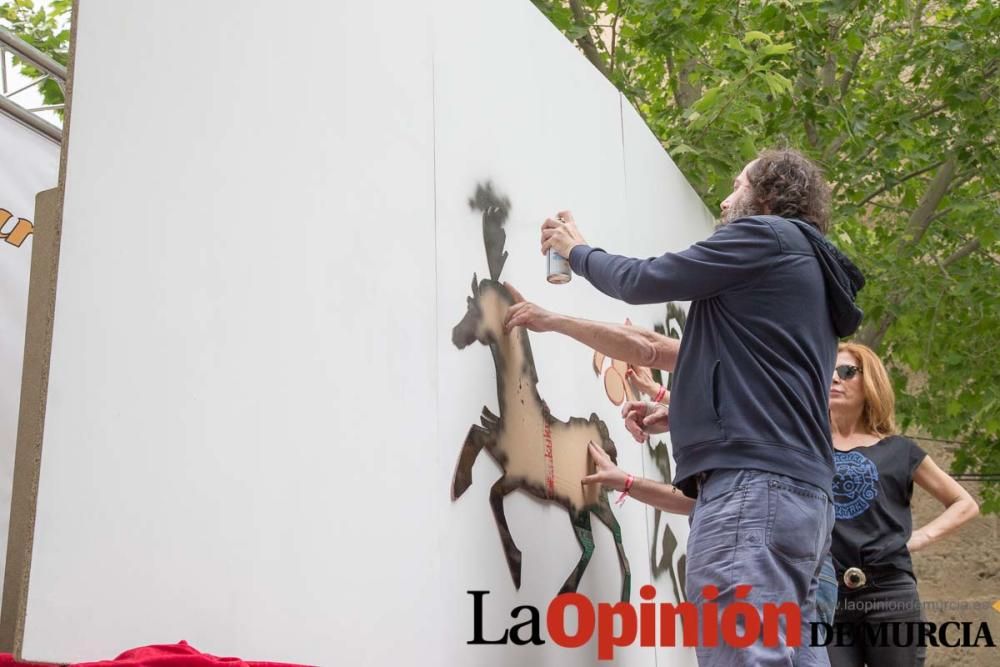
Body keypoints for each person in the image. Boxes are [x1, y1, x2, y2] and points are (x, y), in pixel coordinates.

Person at [537, 148, 865, 666]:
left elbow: (642, 280)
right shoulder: (808, 273)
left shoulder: (766, 237)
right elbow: (763, 371)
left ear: (767, 196)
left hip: (753, 494)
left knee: (742, 654)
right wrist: (690, 409)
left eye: (738, 185)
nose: (725, 197)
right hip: (801, 501)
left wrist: (577, 252)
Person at [826, 343, 979, 667]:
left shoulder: (899, 450)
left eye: (846, 371)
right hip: (825, 593)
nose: (835, 379)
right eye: (828, 371)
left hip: (889, 594)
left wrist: (918, 539)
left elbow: (964, 503)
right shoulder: (805, 448)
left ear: (870, 383)